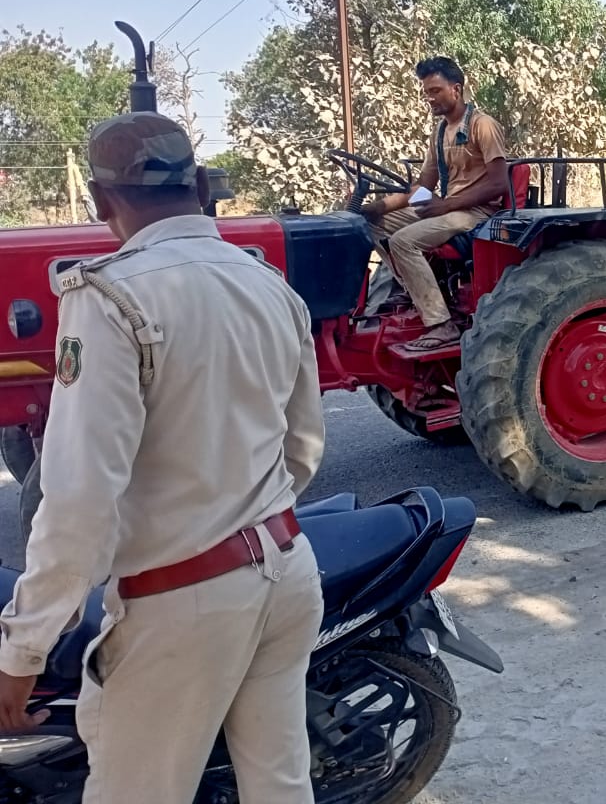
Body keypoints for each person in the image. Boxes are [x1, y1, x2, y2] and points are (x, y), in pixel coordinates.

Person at [0, 112, 327, 802]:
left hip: (182, 602)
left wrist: (24, 647)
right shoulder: (269, 284)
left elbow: (79, 497)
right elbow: (302, 449)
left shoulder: (110, 298)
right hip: (287, 572)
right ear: (203, 184)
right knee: (280, 787)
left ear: (98, 199)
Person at [361, 56, 510, 351]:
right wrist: (381, 207)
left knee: (404, 241)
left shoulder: (483, 125)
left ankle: (442, 324)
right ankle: (416, 292)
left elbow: (499, 183)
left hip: (477, 213)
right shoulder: (440, 132)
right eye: (426, 92)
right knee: (372, 225)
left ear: (456, 89)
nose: (429, 98)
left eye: (435, 91)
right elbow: (423, 188)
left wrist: (445, 205)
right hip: (450, 208)